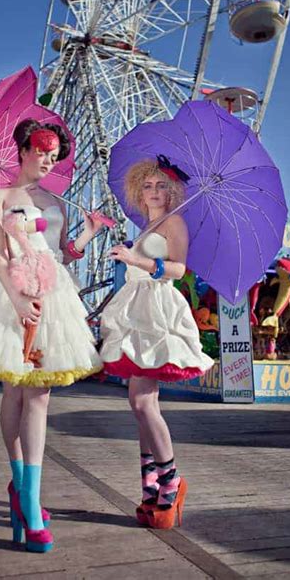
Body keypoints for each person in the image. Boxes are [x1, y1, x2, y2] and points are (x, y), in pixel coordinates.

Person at [0, 119, 105, 552]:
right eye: (43, 151)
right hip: (12, 296)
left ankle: (30, 502)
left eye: (54, 157)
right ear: (24, 149)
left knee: (40, 395)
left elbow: (61, 253)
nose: (48, 161)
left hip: (53, 297)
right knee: (14, 391)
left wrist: (87, 234)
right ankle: (20, 487)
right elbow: (0, 255)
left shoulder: (57, 202)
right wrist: (17, 300)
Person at [99, 156, 214, 530]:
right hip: (136, 310)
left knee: (141, 400)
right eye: (147, 185)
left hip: (157, 310)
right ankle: (152, 485)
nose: (154, 191)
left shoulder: (175, 222)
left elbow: (179, 268)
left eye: (161, 185)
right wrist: (129, 256)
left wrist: (140, 260)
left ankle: (171, 481)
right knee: (140, 402)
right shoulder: (149, 223)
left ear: (173, 190)